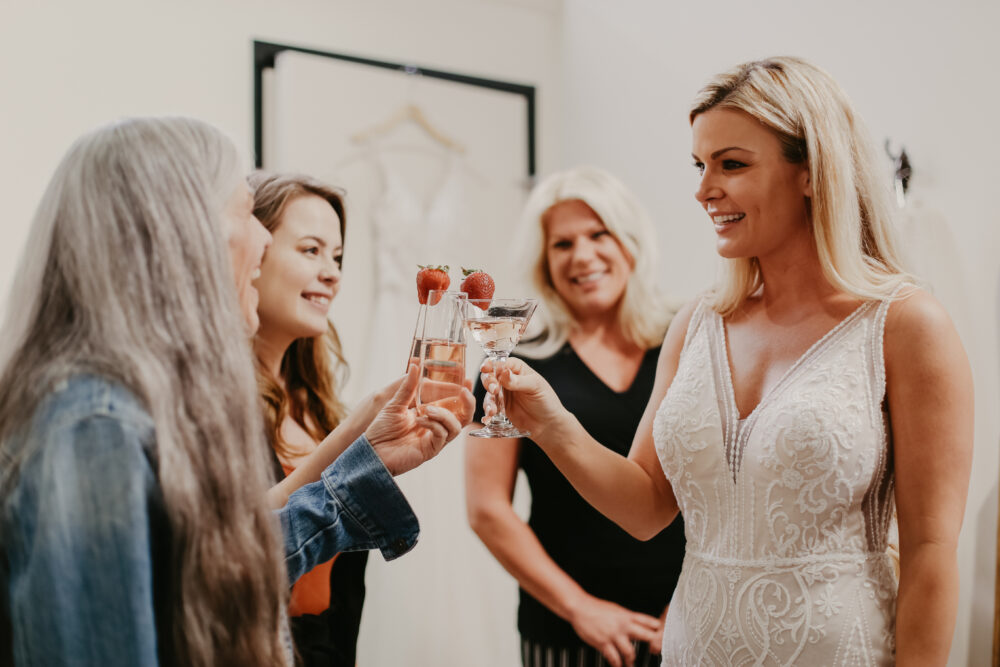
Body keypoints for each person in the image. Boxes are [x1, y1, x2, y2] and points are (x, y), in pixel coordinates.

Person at [483, 57, 973, 665]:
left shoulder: (905, 324)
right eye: (700, 165)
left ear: (811, 172)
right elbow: (646, 507)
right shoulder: (696, 324)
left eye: (731, 164)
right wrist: (551, 423)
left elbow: (930, 550)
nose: (703, 190)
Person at [0, 116, 471, 666]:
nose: (264, 240)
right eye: (246, 212)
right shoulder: (95, 425)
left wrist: (364, 462)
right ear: (177, 232)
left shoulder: (132, 405)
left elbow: (202, 581)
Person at [466, 166, 686, 667]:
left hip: (687, 622)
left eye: (598, 234)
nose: (582, 255)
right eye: (562, 244)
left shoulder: (687, 341)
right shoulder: (514, 364)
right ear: (545, 262)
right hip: (563, 632)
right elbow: (487, 509)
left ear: (630, 242)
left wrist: (697, 597)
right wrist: (579, 608)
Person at [250, 171, 380, 666]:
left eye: (338, 257)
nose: (332, 274)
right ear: (250, 253)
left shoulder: (318, 404)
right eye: (311, 250)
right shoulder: (212, 402)